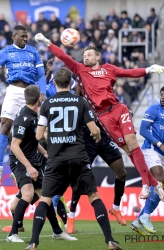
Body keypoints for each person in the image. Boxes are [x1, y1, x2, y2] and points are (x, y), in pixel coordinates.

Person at [34, 32, 164, 200]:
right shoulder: (80, 70)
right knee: (127, 149)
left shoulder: (108, 69)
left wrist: (148, 69)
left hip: (118, 108)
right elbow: (63, 56)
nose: (85, 57)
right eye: (84, 55)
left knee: (132, 142)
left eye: (88, 55)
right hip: (103, 117)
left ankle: (146, 185)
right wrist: (47, 42)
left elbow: (128, 72)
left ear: (97, 57)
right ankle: (154, 184)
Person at [26, 68, 122, 250]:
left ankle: (33, 242)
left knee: (45, 199)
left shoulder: (47, 105)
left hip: (56, 159)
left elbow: (39, 136)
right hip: (79, 157)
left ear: (54, 83)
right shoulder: (81, 101)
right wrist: (97, 137)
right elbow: (94, 130)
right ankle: (110, 240)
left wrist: (52, 136)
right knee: (93, 196)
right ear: (71, 83)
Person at [45, 59, 127, 232]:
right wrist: (79, 83)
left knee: (122, 172)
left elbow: (114, 105)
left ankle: (116, 208)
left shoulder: (104, 85)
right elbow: (73, 97)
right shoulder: (80, 89)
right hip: (87, 138)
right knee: (80, 178)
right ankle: (72, 218)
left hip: (104, 136)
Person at [0, 25, 46, 183]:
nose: (25, 38)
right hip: (14, 90)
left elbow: (41, 74)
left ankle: (21, 167)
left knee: (30, 130)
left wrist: (42, 92)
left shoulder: (33, 52)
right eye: (22, 36)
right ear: (14, 36)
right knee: (6, 125)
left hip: (31, 92)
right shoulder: (5, 52)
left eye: (26, 36)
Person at [7, 85, 76, 243]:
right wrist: (28, 166)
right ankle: (12, 234)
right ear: (39, 99)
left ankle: (57, 232)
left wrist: (44, 152)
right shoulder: (24, 118)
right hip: (21, 161)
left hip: (33, 159)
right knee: (28, 194)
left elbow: (31, 139)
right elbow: (14, 146)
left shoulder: (33, 116)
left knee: (46, 196)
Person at [131, 87, 164, 236]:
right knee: (159, 178)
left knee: (160, 187)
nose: (163, 97)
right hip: (151, 149)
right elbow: (143, 130)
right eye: (161, 95)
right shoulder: (153, 109)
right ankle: (144, 217)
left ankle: (141, 218)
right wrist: (159, 144)